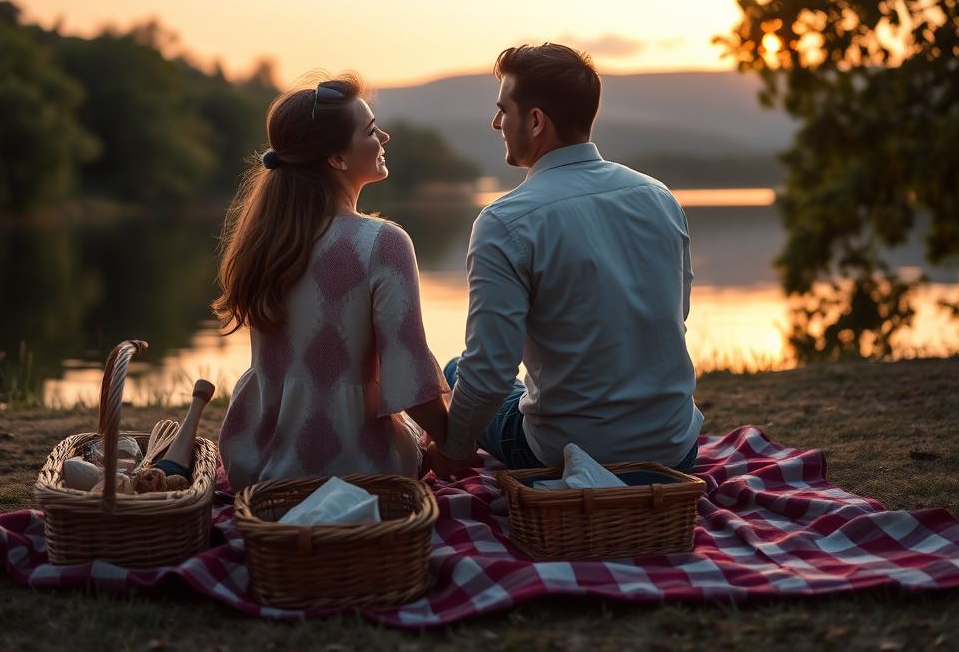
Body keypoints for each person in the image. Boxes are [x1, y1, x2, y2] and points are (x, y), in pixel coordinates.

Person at [428, 43, 703, 479]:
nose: (496, 122)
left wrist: (454, 450)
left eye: (504, 110)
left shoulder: (504, 221)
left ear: (536, 121)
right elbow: (676, 313)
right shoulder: (658, 196)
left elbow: (489, 373)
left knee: (459, 370)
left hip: (570, 455)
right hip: (674, 450)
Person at [215, 75, 449, 490]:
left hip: (255, 462)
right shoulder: (383, 244)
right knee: (460, 387)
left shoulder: (263, 240)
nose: (385, 137)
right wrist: (452, 442)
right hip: (359, 465)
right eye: (372, 130)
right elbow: (409, 378)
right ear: (338, 159)